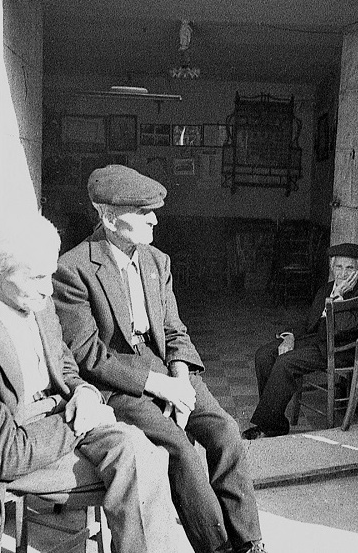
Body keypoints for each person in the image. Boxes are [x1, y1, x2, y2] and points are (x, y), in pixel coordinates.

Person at [0, 213, 177, 553]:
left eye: (50, 274)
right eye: (37, 277)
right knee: (137, 473)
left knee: (143, 453)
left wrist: (83, 392)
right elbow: (4, 454)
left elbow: (63, 363)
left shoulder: (35, 301)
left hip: (51, 420)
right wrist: (79, 421)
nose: (49, 289)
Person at [52, 164, 266, 553]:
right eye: (142, 211)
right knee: (179, 449)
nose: (154, 220)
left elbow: (174, 331)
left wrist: (180, 382)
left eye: (154, 211)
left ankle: (250, 543)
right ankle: (217, 548)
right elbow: (88, 354)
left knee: (226, 432)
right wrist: (158, 386)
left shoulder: (157, 261)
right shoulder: (73, 269)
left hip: (167, 370)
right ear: (109, 218)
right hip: (119, 382)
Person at [242, 243, 358, 440]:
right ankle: (274, 421)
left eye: (349, 268)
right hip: (317, 341)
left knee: (285, 362)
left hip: (341, 348)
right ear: (332, 267)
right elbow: (309, 321)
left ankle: (269, 426)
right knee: (264, 355)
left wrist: (338, 298)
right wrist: (290, 336)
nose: (343, 273)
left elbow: (343, 326)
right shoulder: (326, 288)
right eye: (339, 267)